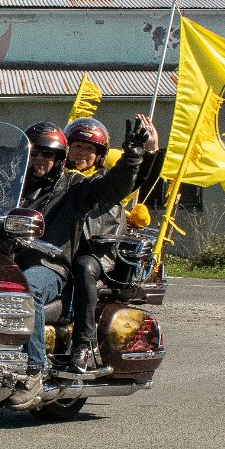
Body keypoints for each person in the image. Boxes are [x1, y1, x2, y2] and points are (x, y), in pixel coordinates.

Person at [7, 118, 149, 408]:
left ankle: (33, 371)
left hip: (49, 265)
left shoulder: (74, 187)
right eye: (34, 152)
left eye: (47, 154)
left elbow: (112, 188)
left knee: (26, 289)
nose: (39, 159)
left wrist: (133, 157)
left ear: (60, 158)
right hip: (5, 261)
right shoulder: (9, 186)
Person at [63, 116, 160, 373]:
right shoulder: (58, 178)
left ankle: (82, 345)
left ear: (99, 155)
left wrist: (149, 151)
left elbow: (137, 177)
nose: (81, 153)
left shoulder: (108, 180)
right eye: (77, 146)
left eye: (89, 149)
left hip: (96, 251)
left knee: (83, 268)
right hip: (60, 246)